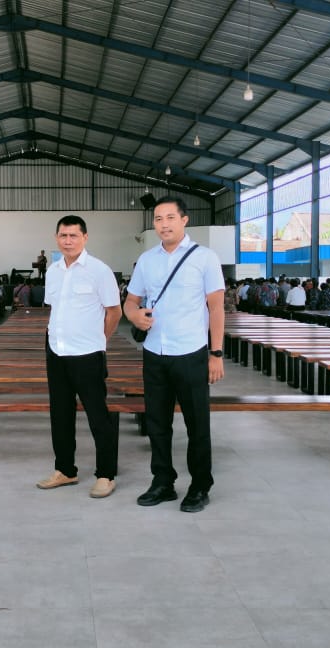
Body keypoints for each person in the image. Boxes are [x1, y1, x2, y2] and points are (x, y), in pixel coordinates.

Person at [124, 196, 225, 513]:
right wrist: (134, 316)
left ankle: (200, 485)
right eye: (158, 219)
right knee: (157, 422)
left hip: (190, 352)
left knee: (197, 424)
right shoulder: (147, 260)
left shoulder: (205, 258)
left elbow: (216, 308)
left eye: (170, 217)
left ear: (184, 220)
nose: (163, 224)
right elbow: (130, 301)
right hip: (154, 352)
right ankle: (163, 481)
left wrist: (216, 353)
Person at [36, 215, 122, 498]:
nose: (68, 241)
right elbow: (55, 309)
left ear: (85, 237)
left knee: (98, 416)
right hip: (56, 352)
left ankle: (106, 474)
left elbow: (114, 312)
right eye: (63, 235)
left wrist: (99, 340)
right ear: (56, 238)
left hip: (87, 354)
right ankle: (65, 470)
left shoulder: (99, 270)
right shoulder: (53, 271)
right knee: (60, 415)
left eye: (74, 235)